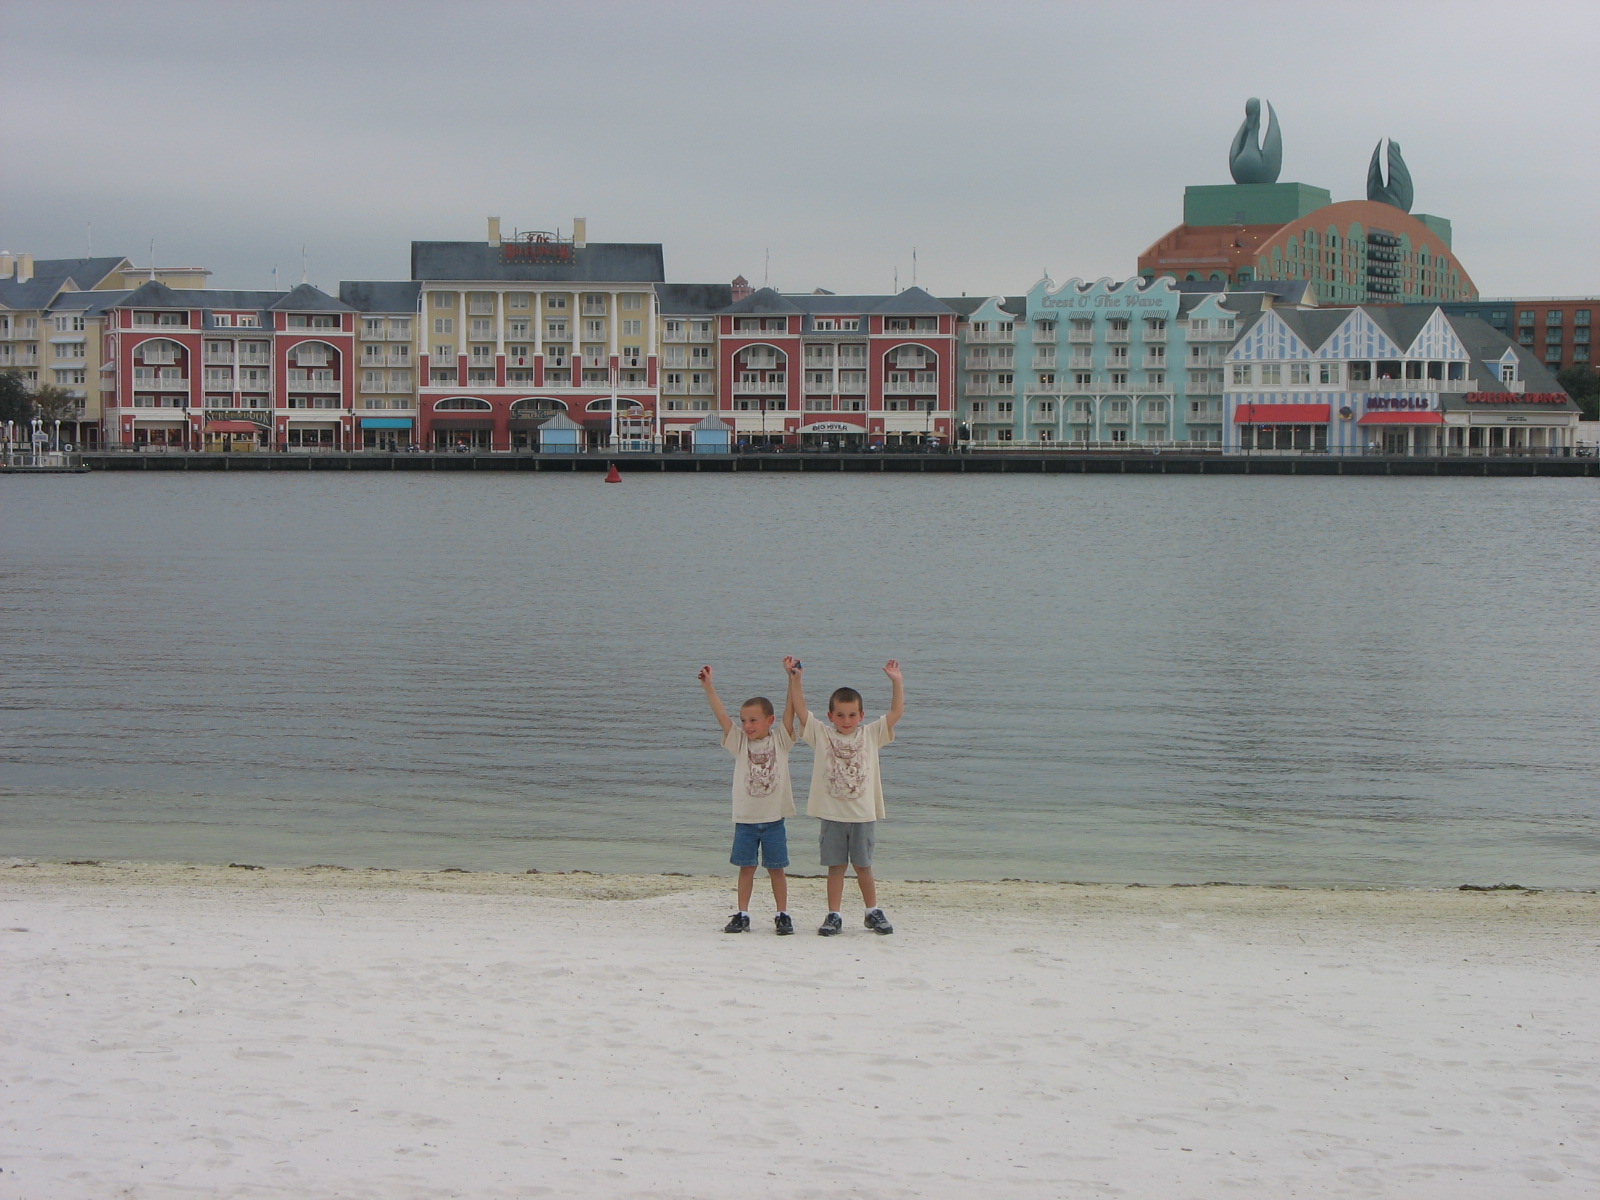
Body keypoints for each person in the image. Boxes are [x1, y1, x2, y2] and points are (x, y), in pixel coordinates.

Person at [784, 656, 904, 936]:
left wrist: (897, 682)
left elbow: (896, 712)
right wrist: (796, 679)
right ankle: (834, 915)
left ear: (861, 716)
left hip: (863, 816)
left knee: (864, 866)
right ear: (831, 716)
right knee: (836, 868)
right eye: (840, 715)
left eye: (852, 715)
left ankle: (872, 911)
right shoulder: (822, 735)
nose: (846, 720)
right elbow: (801, 711)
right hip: (832, 815)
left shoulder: (871, 734)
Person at [698, 664, 797, 935]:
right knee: (747, 868)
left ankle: (782, 914)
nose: (747, 726)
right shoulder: (740, 743)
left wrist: (792, 679)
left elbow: (791, 711)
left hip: (775, 820)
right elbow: (722, 717)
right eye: (744, 720)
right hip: (746, 821)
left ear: (769, 721)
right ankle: (743, 913)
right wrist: (709, 687)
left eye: (753, 720)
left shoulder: (781, 741)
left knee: (777, 869)